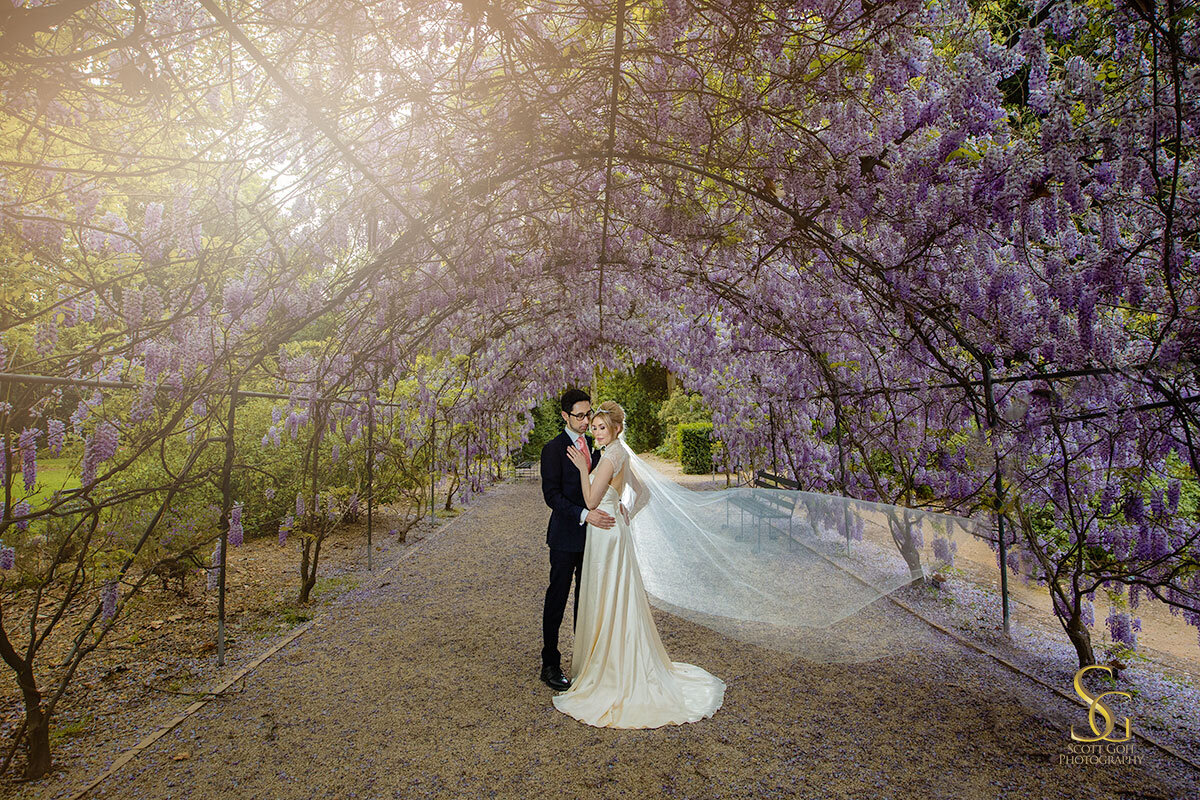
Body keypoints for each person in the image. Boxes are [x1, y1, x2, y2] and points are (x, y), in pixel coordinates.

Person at [552, 400, 724, 728]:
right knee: (619, 595)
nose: (596, 432)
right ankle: (619, 657)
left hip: (604, 533)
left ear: (615, 428)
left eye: (602, 427)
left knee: (606, 596)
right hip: (616, 529)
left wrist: (579, 470)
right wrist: (625, 509)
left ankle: (611, 668)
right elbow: (642, 493)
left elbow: (589, 501)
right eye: (595, 426)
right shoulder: (622, 455)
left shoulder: (608, 458)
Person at [538, 389, 614, 691]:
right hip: (565, 535)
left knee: (587, 600)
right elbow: (551, 496)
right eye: (579, 416)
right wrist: (585, 514)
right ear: (565, 416)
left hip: (595, 538)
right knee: (557, 597)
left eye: (588, 414)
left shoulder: (598, 446)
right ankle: (550, 663)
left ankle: (585, 662)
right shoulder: (553, 449)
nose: (586, 421)